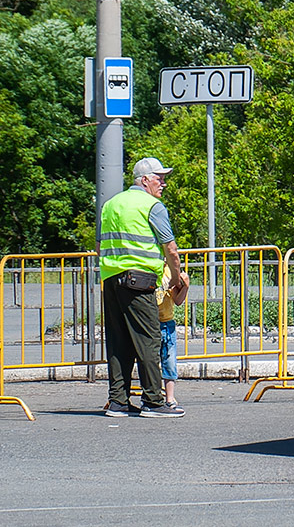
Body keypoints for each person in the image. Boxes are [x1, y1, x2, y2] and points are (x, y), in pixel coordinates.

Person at [99, 157, 187, 418]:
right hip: (139, 281)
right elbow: (170, 247)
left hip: (111, 279)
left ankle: (118, 402)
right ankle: (153, 401)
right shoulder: (152, 205)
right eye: (159, 178)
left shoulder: (110, 204)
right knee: (149, 340)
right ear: (145, 180)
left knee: (118, 342)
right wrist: (175, 276)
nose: (163, 183)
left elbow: (100, 244)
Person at [157, 271, 189, 410]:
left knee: (169, 361)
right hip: (148, 322)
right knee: (149, 362)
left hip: (166, 323)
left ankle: (169, 398)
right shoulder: (147, 267)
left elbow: (178, 300)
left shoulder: (170, 271)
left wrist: (185, 287)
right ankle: (153, 396)